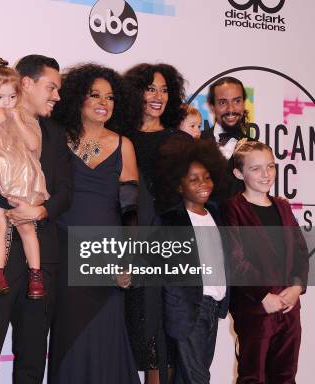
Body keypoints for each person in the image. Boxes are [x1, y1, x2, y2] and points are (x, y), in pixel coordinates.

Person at [0, 54, 72, 384]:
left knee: (33, 357)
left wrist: (39, 210)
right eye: (51, 88)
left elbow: (66, 191)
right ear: (27, 84)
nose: (57, 96)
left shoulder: (53, 134)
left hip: (41, 261)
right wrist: (12, 203)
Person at [47, 63, 140, 384]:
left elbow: (130, 209)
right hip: (64, 251)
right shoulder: (57, 139)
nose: (104, 103)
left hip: (107, 256)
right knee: (69, 337)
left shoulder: (123, 145)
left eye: (111, 97)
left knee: (106, 335)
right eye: (95, 95)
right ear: (77, 99)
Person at [119, 63, 187, 384]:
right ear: (136, 93)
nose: (158, 96)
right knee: (136, 334)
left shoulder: (180, 142)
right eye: (150, 89)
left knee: (164, 341)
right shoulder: (119, 139)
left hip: (168, 250)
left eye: (163, 90)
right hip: (128, 248)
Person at [222, 139, 309, 383]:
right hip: (255, 308)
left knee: (286, 375)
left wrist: (295, 286)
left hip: (289, 308)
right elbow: (235, 259)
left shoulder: (282, 206)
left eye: (270, 166)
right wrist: (263, 295)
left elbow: (300, 252)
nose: (266, 174)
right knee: (253, 376)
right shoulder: (233, 209)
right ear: (239, 173)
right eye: (256, 168)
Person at [154, 139, 229, 384]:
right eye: (193, 179)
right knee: (198, 379)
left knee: (188, 379)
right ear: (178, 185)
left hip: (212, 307)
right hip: (187, 311)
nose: (203, 184)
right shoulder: (170, 220)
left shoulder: (216, 215)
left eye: (207, 177)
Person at [0, 58, 49, 298]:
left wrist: (18, 121)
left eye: (12, 97)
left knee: (27, 227)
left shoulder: (27, 118)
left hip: (20, 180)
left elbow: (34, 146)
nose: (6, 103)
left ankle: (36, 276)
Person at [201, 76, 251, 160]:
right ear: (212, 107)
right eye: (223, 102)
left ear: (244, 104)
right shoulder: (195, 142)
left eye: (237, 101)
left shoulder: (258, 149)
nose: (231, 109)